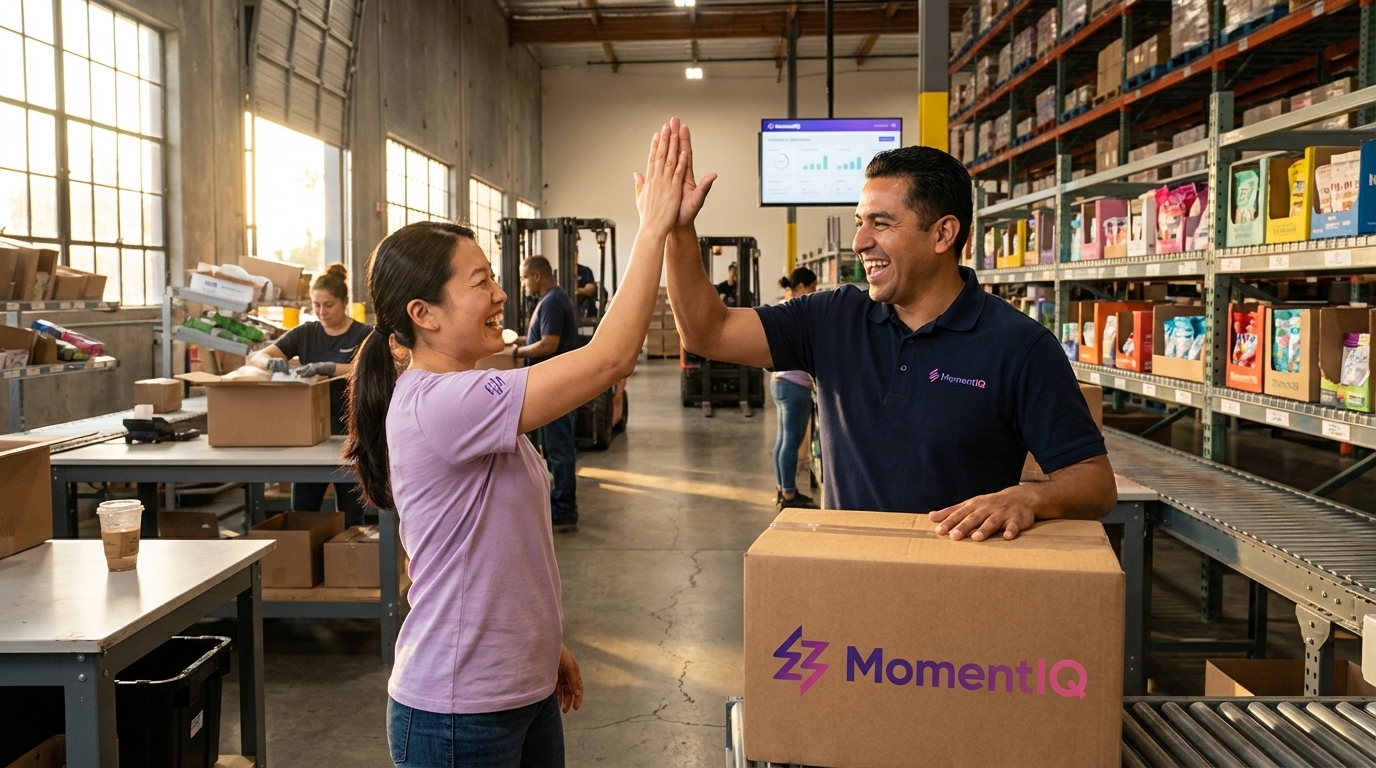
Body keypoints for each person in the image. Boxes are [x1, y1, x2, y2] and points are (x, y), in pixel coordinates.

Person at [342, 117, 689, 766]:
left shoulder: (473, 391)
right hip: (456, 712)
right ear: (424, 315)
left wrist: (538, 642)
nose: (502, 293)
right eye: (480, 284)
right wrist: (654, 229)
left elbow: (477, 551)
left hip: (519, 687)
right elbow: (609, 359)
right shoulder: (441, 403)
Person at [666, 135, 1116, 541]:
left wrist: (1029, 498)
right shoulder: (833, 318)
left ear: (943, 233)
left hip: (962, 587)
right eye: (859, 221)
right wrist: (676, 229)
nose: (860, 241)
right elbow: (709, 332)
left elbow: (1095, 482)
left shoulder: (1019, 345)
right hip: (853, 581)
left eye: (880, 223)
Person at [249, 264, 371, 526]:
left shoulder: (363, 335)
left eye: (329, 305)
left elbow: (377, 370)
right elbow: (257, 357)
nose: (322, 312)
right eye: (316, 305)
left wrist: (332, 369)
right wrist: (270, 363)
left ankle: (349, 563)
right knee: (302, 513)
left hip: (350, 436)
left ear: (344, 302)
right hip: (310, 437)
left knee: (352, 517)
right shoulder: (306, 333)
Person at [513, 255, 581, 528]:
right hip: (552, 385)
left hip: (557, 386)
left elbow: (548, 345)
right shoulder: (551, 299)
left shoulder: (553, 300)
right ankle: (559, 503)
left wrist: (517, 352)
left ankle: (564, 509)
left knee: (559, 449)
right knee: (553, 446)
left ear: (537, 276)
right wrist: (512, 341)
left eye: (524, 277)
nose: (524, 283)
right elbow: (536, 339)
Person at [771, 267, 818, 511]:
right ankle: (789, 495)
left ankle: (782, 488)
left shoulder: (783, 306)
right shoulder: (801, 310)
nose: (815, 293)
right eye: (812, 288)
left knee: (782, 439)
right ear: (801, 287)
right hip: (795, 383)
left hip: (779, 382)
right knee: (791, 440)